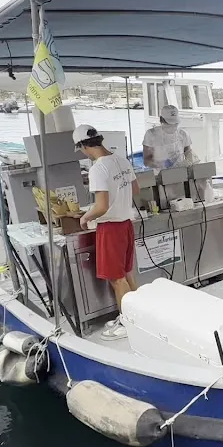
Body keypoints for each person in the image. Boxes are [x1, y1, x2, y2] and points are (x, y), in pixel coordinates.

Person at [74, 124, 139, 339]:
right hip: (126, 224)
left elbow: (101, 206)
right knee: (127, 273)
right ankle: (138, 318)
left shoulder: (98, 168)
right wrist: (119, 201)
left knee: (116, 279)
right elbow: (135, 189)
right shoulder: (121, 160)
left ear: (83, 146)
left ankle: (129, 324)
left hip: (111, 228)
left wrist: (85, 217)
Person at [143, 104, 195, 169]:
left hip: (181, 173)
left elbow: (189, 155)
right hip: (159, 175)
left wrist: (188, 163)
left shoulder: (183, 134)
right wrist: (161, 164)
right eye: (169, 123)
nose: (173, 125)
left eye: (175, 123)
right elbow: (146, 161)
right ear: (161, 120)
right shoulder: (151, 134)